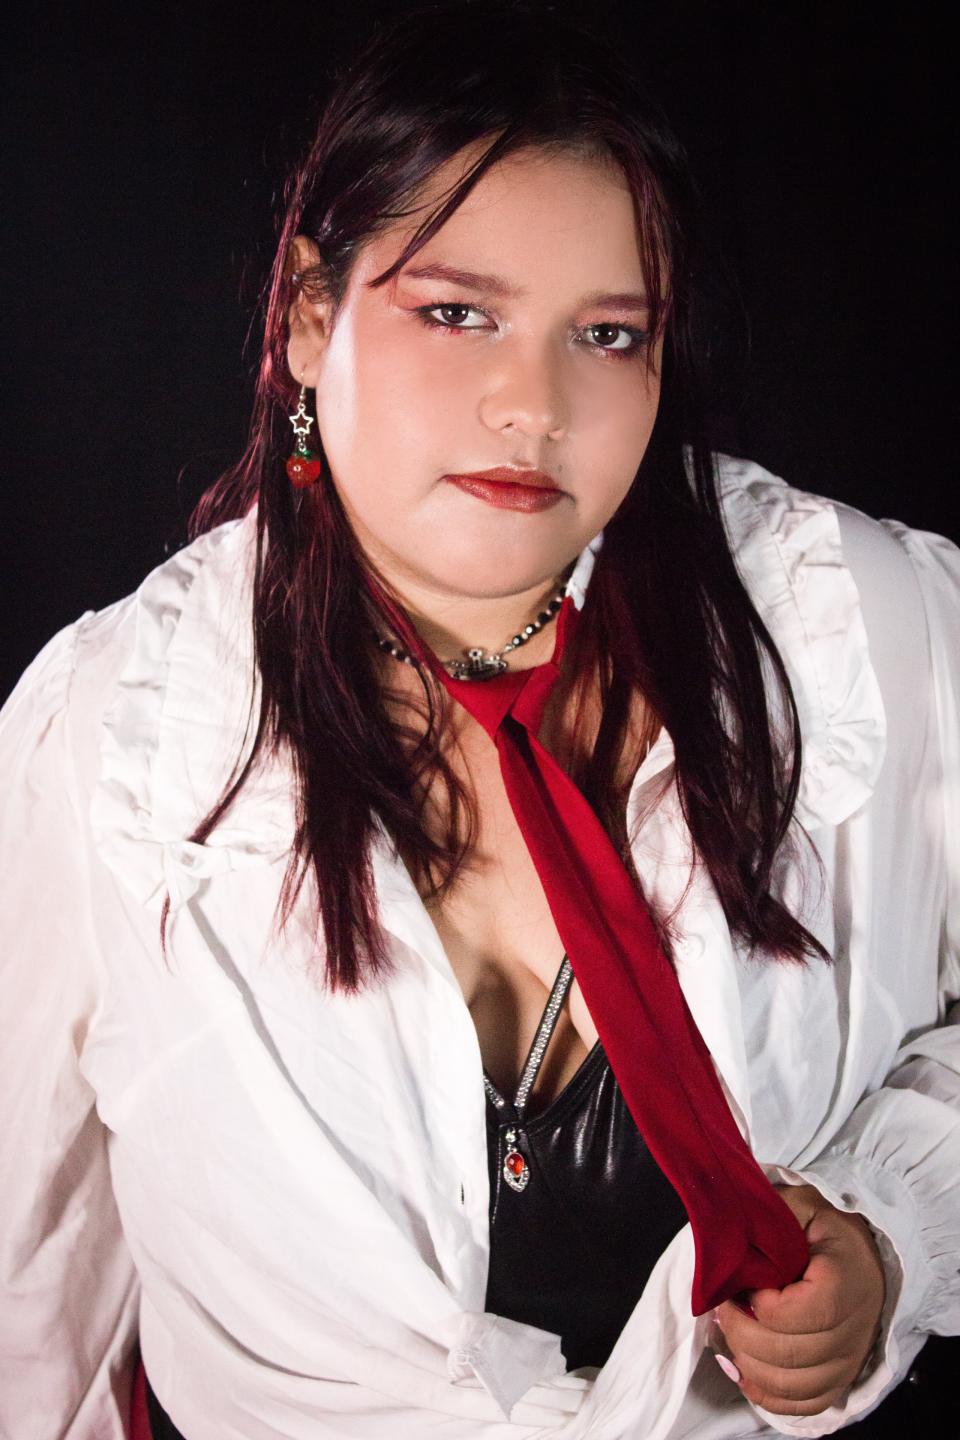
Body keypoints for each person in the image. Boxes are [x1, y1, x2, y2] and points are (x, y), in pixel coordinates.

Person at [1, 2, 957, 1436]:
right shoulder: (108, 740)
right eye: (458, 313)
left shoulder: (865, 634)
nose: (534, 405)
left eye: (608, 334)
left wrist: (896, 1231)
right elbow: (31, 1294)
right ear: (309, 315)